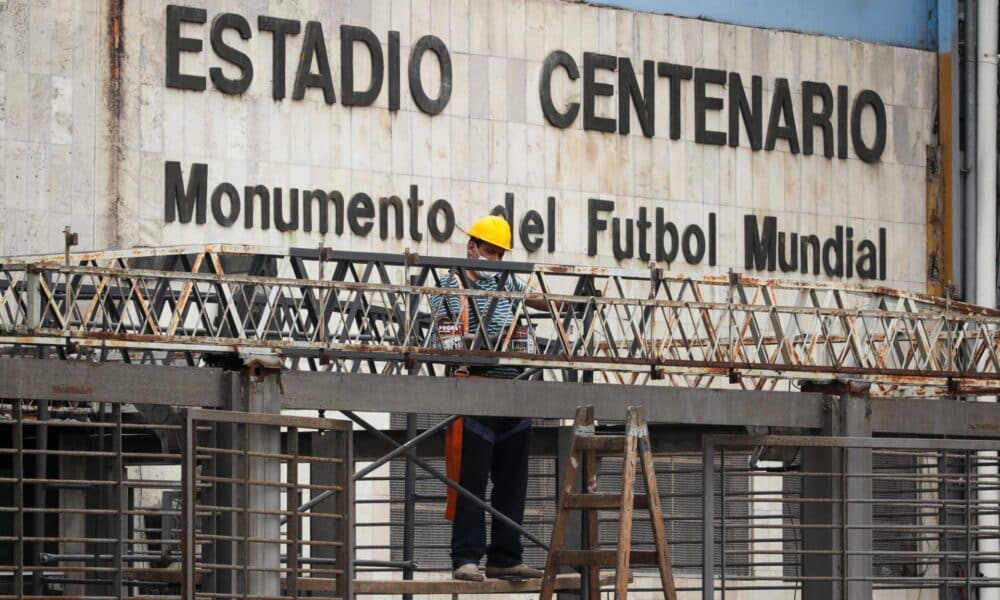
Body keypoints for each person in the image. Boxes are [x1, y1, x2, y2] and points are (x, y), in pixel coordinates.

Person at [430, 215, 547, 582]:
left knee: (513, 484)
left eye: (500, 254)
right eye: (489, 252)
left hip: (513, 394)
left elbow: (536, 299)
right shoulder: (448, 286)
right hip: (474, 393)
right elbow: (447, 335)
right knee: (471, 484)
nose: (494, 260)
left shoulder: (511, 280)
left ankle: (506, 557)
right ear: (472, 247)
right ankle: (466, 558)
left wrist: (568, 303)